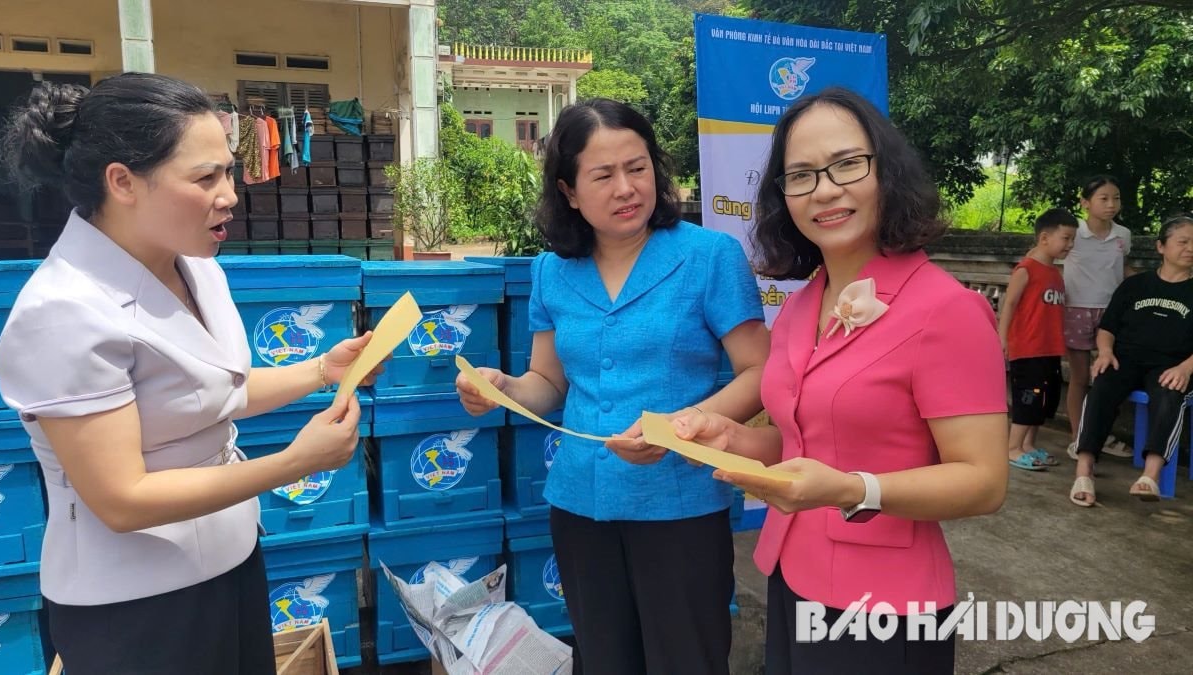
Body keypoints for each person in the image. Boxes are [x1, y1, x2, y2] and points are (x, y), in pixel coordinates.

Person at [0, 74, 381, 675]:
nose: (230, 194)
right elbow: (123, 498)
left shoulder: (197, 267)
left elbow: (213, 394)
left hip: (231, 562)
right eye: (205, 178)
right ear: (122, 181)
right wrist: (293, 463)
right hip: (136, 606)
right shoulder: (63, 313)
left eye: (228, 171)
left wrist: (321, 371)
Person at [670, 87, 1008, 674]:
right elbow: (807, 445)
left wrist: (854, 491)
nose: (824, 189)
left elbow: (983, 482)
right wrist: (731, 439)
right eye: (800, 175)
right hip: (791, 573)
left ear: (888, 172)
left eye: (847, 164)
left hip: (885, 605)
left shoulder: (947, 310)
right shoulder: (803, 305)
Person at [455, 98, 769, 675]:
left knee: (687, 659)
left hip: (679, 503)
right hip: (580, 504)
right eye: (603, 175)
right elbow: (547, 382)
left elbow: (759, 373)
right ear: (569, 191)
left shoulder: (709, 257)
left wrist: (682, 427)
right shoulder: (552, 271)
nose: (626, 188)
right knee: (603, 658)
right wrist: (502, 387)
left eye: (638, 167)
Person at [1069, 214, 1193, 506]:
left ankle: (1149, 477)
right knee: (1101, 388)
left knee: (1169, 393)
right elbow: (1107, 328)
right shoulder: (1135, 285)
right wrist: (1106, 352)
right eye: (1183, 242)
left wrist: (1186, 368)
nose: (1190, 249)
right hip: (1124, 359)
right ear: (1161, 246)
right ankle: (1084, 470)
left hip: (1172, 364)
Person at [998, 208, 1078, 470]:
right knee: (1028, 398)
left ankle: (1028, 445)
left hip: (1049, 348)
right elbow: (1009, 305)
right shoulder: (1026, 269)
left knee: (1045, 399)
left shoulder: (1055, 273)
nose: (1070, 245)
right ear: (1044, 238)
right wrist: (1003, 338)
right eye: (1065, 238)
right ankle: (1012, 448)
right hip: (1028, 348)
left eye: (1072, 239)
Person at [1064, 175, 1134, 459]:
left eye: (1115, 198)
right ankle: (1078, 438)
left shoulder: (1123, 235)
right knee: (1080, 377)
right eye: (1103, 198)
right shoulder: (1073, 233)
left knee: (1109, 378)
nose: (1111, 204)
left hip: (1112, 313)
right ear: (1085, 203)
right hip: (1076, 309)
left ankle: (1101, 436)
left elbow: (1122, 269)